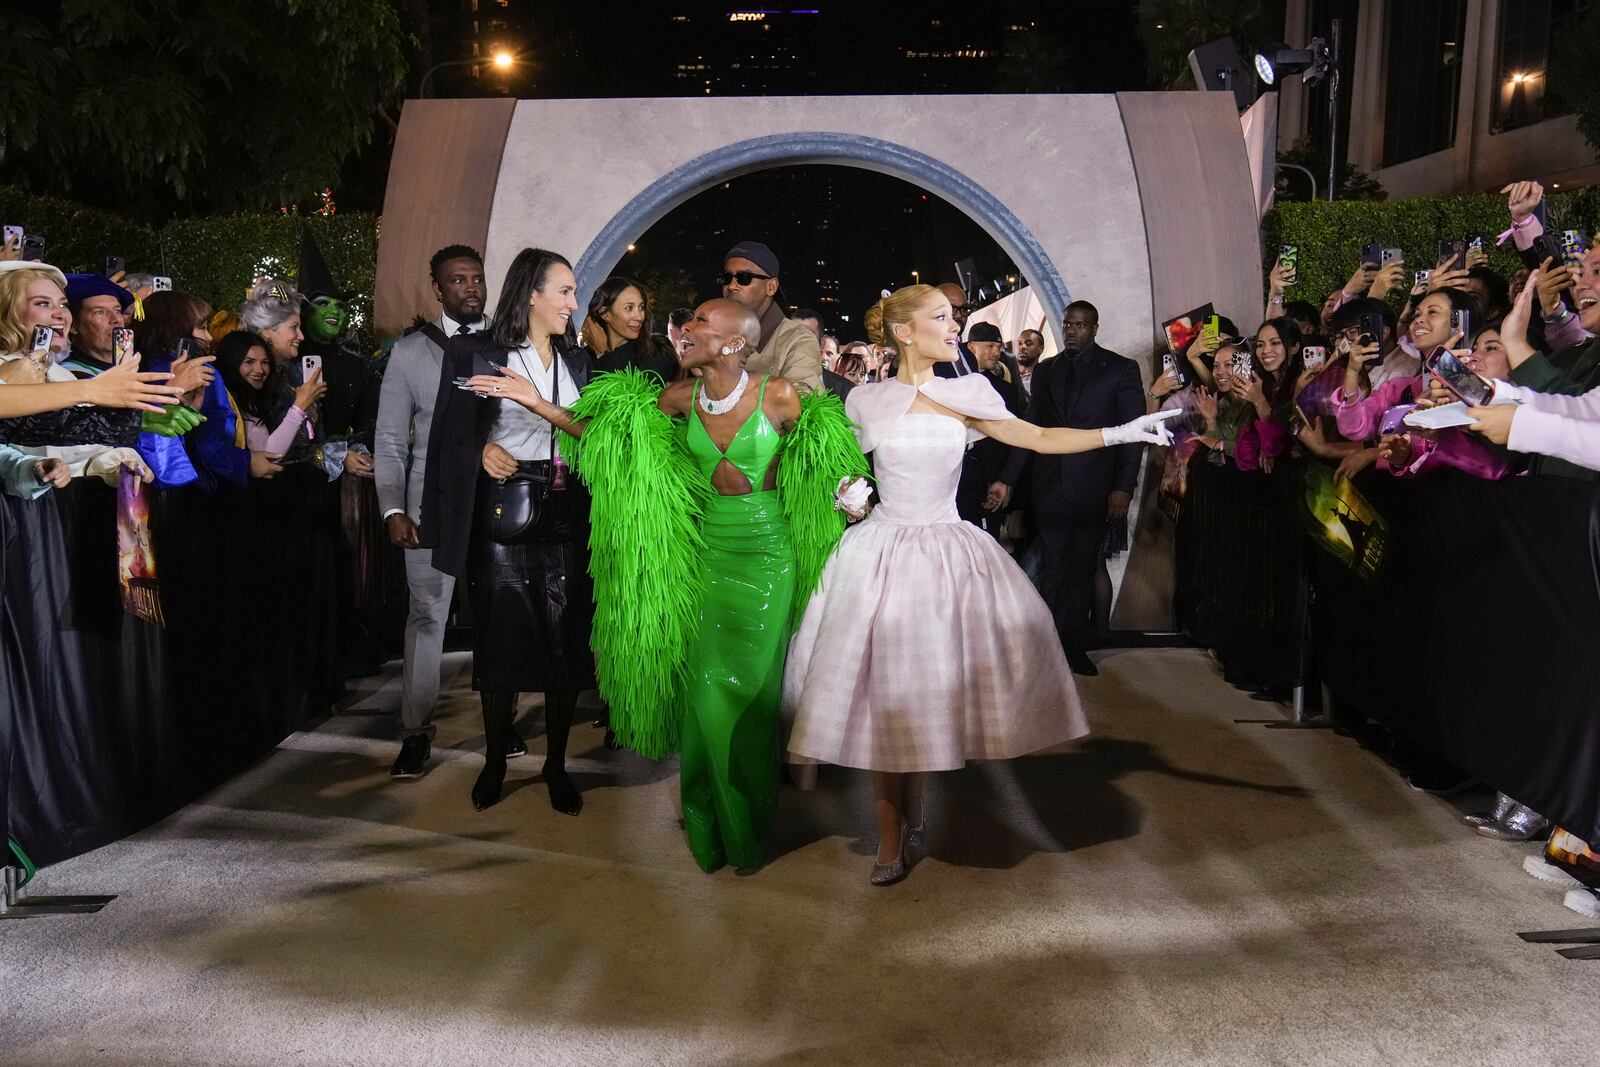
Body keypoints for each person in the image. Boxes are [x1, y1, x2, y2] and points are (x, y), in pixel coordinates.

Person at [783, 284, 1178, 885]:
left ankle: (912, 805)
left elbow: (1038, 437)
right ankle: (889, 835)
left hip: (946, 551)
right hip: (880, 556)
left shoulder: (966, 392)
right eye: (941, 318)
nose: (954, 326)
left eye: (954, 317)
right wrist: (847, 495)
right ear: (904, 332)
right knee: (887, 697)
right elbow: (843, 475)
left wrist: (1120, 433)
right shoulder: (865, 401)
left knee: (922, 695)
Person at [472, 297, 867, 874]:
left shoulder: (779, 395)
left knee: (753, 696)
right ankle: (709, 820)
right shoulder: (676, 399)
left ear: (734, 342)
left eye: (700, 323)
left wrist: (852, 494)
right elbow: (607, 437)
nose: (684, 330)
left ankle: (749, 824)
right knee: (706, 688)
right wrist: (537, 402)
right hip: (708, 554)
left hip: (768, 558)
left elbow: (832, 459)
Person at [420, 248, 595, 816]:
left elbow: (594, 433)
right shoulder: (479, 353)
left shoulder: (580, 361)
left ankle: (556, 766)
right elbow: (447, 437)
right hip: (503, 508)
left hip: (567, 507)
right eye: (564, 291)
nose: (573, 302)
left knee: (565, 641)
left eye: (573, 292)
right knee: (500, 641)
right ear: (533, 294)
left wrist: (532, 399)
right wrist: (483, 449)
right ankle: (495, 761)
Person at [375, 244, 490, 780]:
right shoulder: (411, 352)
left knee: (496, 616)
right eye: (458, 280)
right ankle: (416, 732)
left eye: (477, 278)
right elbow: (392, 439)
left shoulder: (505, 346)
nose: (471, 287)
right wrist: (393, 506)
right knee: (426, 617)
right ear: (438, 289)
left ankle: (500, 720)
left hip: (493, 502)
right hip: (427, 506)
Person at [991, 300, 1144, 675]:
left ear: (1094, 327)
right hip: (1050, 487)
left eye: (1079, 325)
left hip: (1095, 487)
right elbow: (1031, 429)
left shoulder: (1121, 369)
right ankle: (1048, 646)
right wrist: (1008, 480)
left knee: (1081, 571)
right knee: (1053, 569)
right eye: (1067, 325)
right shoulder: (1046, 371)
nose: (1072, 330)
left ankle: (1074, 648)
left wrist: (1123, 488)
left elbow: (1132, 434)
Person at [719, 240, 822, 393]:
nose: (732, 286)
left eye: (744, 278)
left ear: (771, 287)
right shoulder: (713, 333)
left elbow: (803, 404)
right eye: (727, 278)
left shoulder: (798, 339)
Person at [214, 329, 322, 465]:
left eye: (265, 362)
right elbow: (270, 456)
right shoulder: (221, 402)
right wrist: (299, 407)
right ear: (231, 363)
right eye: (249, 362)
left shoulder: (255, 398)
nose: (260, 370)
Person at [586, 275, 678, 383]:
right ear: (605, 313)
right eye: (629, 308)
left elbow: (632, 398)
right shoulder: (584, 357)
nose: (639, 317)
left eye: (641, 307)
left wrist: (603, 354)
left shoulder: (657, 351)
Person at [62, 274, 134, 376]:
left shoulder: (130, 369)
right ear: (73, 325)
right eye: (100, 312)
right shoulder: (65, 377)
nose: (116, 319)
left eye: (117, 311)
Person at [1017, 328, 1044, 395]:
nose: (1022, 347)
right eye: (1020, 343)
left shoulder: (1044, 378)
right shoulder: (1008, 375)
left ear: (1040, 348)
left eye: (1028, 343)